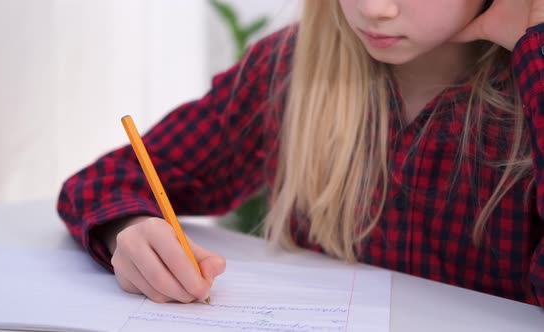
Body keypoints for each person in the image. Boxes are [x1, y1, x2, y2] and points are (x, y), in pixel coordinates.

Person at [57, 0, 544, 308]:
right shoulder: (289, 68)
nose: (374, 9)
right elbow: (104, 181)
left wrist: (535, 40)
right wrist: (129, 229)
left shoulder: (531, 82)